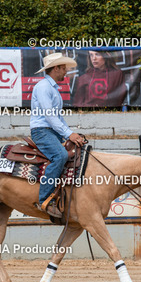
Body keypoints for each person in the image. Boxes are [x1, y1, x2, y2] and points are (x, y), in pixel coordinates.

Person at [30, 53, 86, 218]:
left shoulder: (51, 88)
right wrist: (69, 134)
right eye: (63, 68)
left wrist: (70, 135)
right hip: (42, 131)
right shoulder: (43, 87)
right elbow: (50, 116)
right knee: (60, 156)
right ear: (56, 68)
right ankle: (45, 200)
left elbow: (58, 118)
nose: (66, 72)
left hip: (51, 130)